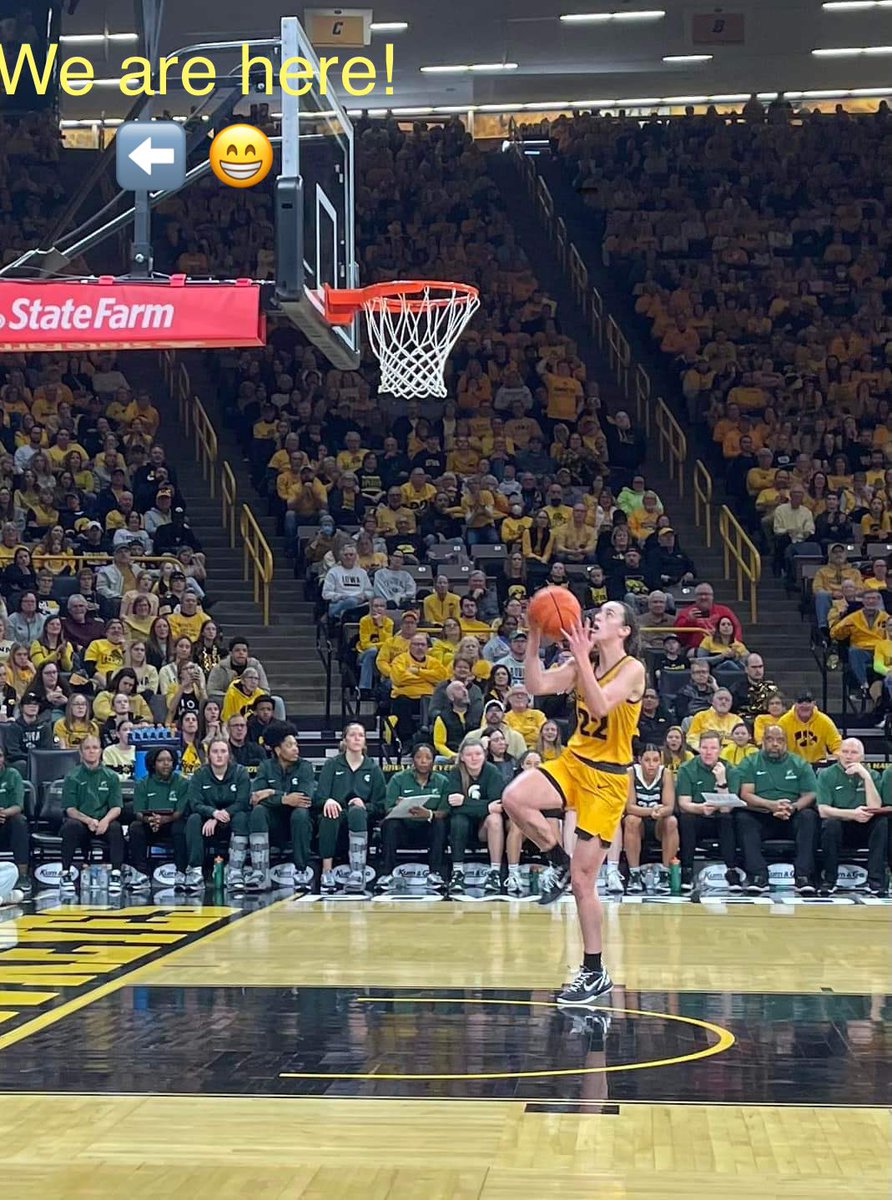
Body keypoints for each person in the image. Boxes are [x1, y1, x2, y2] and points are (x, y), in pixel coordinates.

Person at [503, 600, 645, 1006]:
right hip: (573, 762)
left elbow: (601, 705)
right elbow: (535, 686)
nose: (598, 616)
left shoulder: (632, 669)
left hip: (607, 780)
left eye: (609, 614)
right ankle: (556, 861)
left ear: (625, 631)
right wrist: (533, 638)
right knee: (514, 797)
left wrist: (582, 656)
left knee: (585, 884)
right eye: (597, 612)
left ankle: (595, 971)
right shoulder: (583, 663)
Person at [736, 724, 820, 894]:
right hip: (762, 814)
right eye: (770, 739)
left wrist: (793, 807)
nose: (775, 744)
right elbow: (746, 794)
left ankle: (803, 877)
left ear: (786, 743)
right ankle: (758, 876)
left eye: (780, 740)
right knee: (742, 818)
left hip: (791, 815)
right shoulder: (750, 762)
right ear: (762, 741)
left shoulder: (799, 763)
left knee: (809, 816)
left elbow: (810, 794)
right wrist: (771, 805)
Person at [314, 722, 385, 894]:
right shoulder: (332, 765)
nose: (356, 738)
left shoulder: (373, 768)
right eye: (352, 734)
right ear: (344, 740)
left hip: (360, 818)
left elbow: (381, 805)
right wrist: (328, 801)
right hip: (336, 814)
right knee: (329, 814)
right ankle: (327, 872)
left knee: (357, 811)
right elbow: (319, 797)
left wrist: (365, 806)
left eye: (360, 735)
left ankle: (357, 871)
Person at [249, 723, 316, 892]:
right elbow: (256, 797)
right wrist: (284, 798)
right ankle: (259, 871)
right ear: (278, 750)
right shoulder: (266, 766)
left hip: (299, 822)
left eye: (296, 744)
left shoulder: (305, 766)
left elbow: (304, 798)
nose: (296, 749)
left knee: (300, 813)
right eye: (290, 745)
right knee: (258, 811)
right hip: (274, 821)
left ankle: (301, 870)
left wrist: (271, 792)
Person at [376, 742, 449, 894]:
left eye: (428, 758)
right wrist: (401, 808)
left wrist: (428, 813)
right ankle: (386, 874)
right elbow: (387, 808)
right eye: (419, 757)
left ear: (433, 761)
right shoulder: (398, 779)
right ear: (412, 760)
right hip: (404, 828)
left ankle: (435, 874)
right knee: (390, 824)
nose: (423, 761)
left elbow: (445, 811)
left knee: (440, 823)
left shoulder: (442, 781)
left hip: (428, 829)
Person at [817, 738, 887, 896]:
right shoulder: (826, 775)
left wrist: (866, 777)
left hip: (864, 826)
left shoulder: (873, 775)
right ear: (838, 754)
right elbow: (823, 810)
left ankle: (876, 882)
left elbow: (875, 807)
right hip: (840, 826)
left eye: (854, 752)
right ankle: (829, 880)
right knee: (830, 825)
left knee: (882, 822)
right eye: (845, 752)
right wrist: (853, 814)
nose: (848, 756)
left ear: (862, 757)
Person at [675, 731, 742, 891]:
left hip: (720, 817)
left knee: (727, 818)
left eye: (713, 748)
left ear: (720, 750)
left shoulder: (730, 770)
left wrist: (721, 781)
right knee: (686, 819)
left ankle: (731, 871)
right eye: (704, 747)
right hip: (698, 816)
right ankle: (687, 870)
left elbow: (727, 807)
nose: (708, 752)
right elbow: (684, 803)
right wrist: (700, 808)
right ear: (698, 748)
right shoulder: (687, 768)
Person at [443, 733, 509, 896]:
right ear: (462, 757)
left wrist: (465, 802)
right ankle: (457, 872)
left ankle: (494, 872)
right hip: (461, 827)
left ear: (484, 755)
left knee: (495, 819)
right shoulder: (456, 772)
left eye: (478, 754)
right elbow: (453, 806)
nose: (474, 758)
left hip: (483, 829)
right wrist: (486, 806)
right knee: (459, 820)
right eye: (469, 755)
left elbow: (498, 806)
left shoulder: (492, 772)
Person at [59, 736, 124, 897]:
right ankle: (65, 873)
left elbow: (116, 807)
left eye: (95, 747)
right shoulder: (72, 776)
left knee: (116, 828)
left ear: (100, 751)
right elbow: (70, 809)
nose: (91, 751)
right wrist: (88, 820)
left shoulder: (111, 777)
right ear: (81, 752)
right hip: (81, 822)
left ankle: (116, 874)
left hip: (103, 821)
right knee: (70, 826)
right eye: (87, 748)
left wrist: (105, 821)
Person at [184, 737, 251, 892]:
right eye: (215, 752)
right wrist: (213, 813)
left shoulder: (240, 772)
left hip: (232, 818)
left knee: (241, 816)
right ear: (208, 756)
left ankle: (235, 870)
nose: (219, 755)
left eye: (223, 751)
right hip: (207, 821)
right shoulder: (200, 774)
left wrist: (223, 813)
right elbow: (195, 803)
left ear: (229, 755)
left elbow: (242, 802)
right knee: (193, 819)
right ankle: (195, 871)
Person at [126, 745, 189, 890]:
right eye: (161, 760)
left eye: (169, 760)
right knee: (135, 827)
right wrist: (151, 820)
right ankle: (141, 873)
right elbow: (138, 812)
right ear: (153, 764)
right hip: (150, 824)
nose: (166, 763)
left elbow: (179, 811)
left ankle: (181, 872)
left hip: (172, 822)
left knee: (181, 826)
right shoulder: (142, 783)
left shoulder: (182, 783)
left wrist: (163, 820)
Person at [624, 745, 679, 894]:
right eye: (647, 760)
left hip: (658, 823)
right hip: (640, 822)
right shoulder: (631, 773)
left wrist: (659, 813)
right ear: (639, 760)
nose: (651, 764)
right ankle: (634, 875)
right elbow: (630, 807)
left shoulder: (665, 773)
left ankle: (665, 874)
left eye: (655, 760)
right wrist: (651, 811)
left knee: (672, 821)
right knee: (631, 820)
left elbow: (669, 807)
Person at [0, 745, 32, 898]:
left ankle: (22, 876)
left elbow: (18, 806)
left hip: (6, 824)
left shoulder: (13, 775)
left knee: (19, 821)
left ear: (4, 758)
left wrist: (3, 813)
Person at [778, 692, 842, 764]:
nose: (804, 705)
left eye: (808, 702)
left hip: (818, 765)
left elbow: (837, 745)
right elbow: (777, 744)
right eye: (800, 702)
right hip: (792, 765)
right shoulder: (784, 722)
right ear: (795, 704)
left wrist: (836, 756)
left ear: (814, 703)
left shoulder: (825, 721)